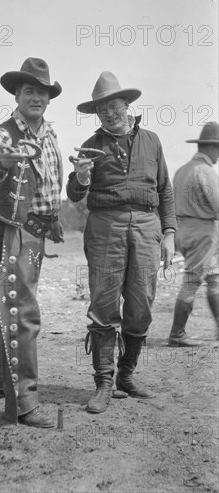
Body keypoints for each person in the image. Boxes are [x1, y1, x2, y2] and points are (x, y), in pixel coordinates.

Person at [66, 71, 176, 413]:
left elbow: (165, 190)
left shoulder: (153, 141)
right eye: (101, 109)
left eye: (113, 106)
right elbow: (73, 194)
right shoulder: (91, 146)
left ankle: (126, 375)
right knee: (103, 305)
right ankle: (103, 383)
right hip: (105, 228)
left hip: (147, 226)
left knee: (141, 305)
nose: (109, 113)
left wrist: (169, 234)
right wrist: (82, 175)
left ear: (127, 105)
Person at [0, 57, 64, 428]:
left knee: (13, 299)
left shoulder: (48, 133)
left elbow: (50, 182)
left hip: (37, 229)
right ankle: (24, 404)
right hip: (9, 227)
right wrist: (3, 161)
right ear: (17, 94)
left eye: (42, 92)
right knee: (23, 311)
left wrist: (54, 218)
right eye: (30, 91)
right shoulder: (4, 132)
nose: (36, 98)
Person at [168, 122, 219, 346]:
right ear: (211, 147)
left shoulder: (182, 170)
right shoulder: (206, 171)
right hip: (201, 232)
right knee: (191, 281)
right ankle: (177, 334)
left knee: (214, 277)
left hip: (182, 229)